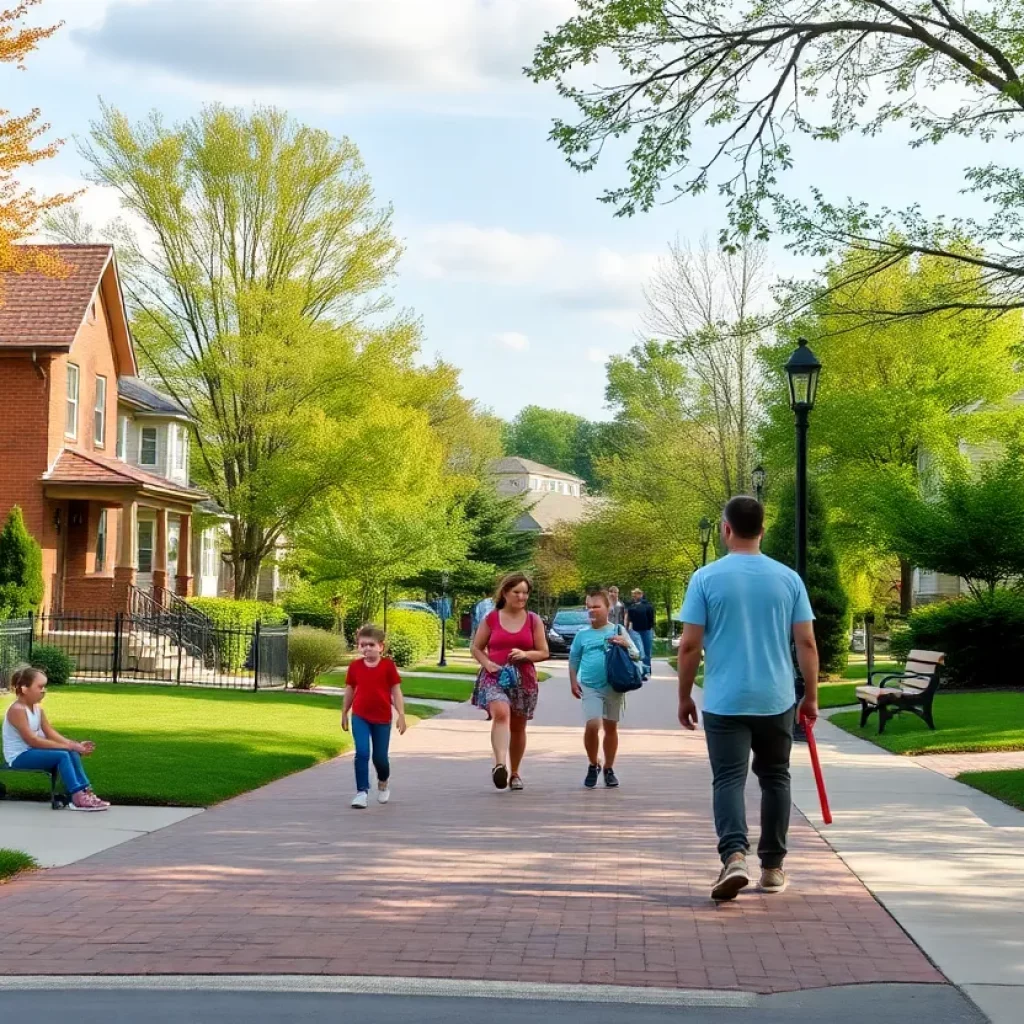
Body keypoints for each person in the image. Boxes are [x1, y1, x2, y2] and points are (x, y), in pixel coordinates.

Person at [677, 496, 818, 902]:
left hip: (725, 698)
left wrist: (684, 696)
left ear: (725, 529)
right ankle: (772, 868)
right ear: (763, 528)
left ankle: (734, 855)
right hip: (776, 696)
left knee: (728, 779)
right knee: (775, 777)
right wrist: (810, 695)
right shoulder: (788, 579)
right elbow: (805, 640)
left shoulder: (705, 578)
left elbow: (689, 646)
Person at [470, 573, 549, 791]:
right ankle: (500, 765)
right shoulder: (492, 619)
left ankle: (515, 773)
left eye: (525, 592)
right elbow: (476, 647)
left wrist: (525, 654)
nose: (522, 597)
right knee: (501, 713)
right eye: (517, 592)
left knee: (518, 726)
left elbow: (544, 652)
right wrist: (487, 663)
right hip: (495, 676)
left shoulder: (533, 620)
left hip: (523, 679)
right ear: (505, 593)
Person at [2, 665, 109, 811]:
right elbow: (32, 741)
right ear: (24, 689)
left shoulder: (37, 709)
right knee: (62, 755)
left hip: (32, 752)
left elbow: (51, 733)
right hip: (19, 756)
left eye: (44, 686)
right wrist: (70, 746)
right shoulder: (17, 710)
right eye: (40, 687)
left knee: (70, 753)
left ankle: (86, 791)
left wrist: (75, 745)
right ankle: (77, 797)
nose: (43, 690)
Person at [569, 589, 642, 789]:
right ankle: (593, 764)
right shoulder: (582, 635)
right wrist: (573, 681)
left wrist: (625, 643)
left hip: (613, 686)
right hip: (589, 686)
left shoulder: (617, 630)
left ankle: (609, 768)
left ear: (608, 609)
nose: (592, 611)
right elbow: (574, 659)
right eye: (589, 607)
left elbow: (637, 655)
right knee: (592, 725)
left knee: (610, 727)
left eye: (596, 606)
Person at [342, 624, 407, 809]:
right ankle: (361, 792)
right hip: (360, 716)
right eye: (363, 645)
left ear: (381, 646)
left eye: (371, 644)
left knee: (380, 758)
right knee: (362, 753)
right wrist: (344, 712)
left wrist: (401, 714)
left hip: (382, 718)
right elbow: (349, 689)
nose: (367, 648)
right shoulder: (355, 667)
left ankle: (383, 780)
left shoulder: (388, 666)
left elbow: (396, 691)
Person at [625, 588, 656, 677]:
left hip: (646, 630)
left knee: (647, 651)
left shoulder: (647, 606)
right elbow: (628, 619)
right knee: (638, 651)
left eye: (636, 594)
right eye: (633, 594)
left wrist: (651, 628)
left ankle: (646, 671)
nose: (634, 596)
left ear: (641, 595)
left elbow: (651, 618)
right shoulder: (631, 606)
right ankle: (640, 671)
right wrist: (626, 629)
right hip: (635, 631)